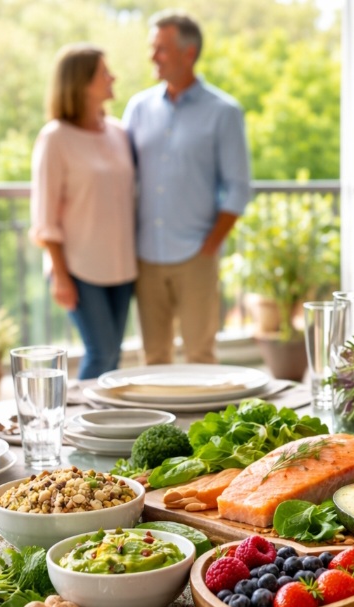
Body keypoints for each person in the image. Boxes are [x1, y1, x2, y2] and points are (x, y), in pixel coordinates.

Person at [122, 10, 252, 365]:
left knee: (200, 357)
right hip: (145, 257)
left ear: (188, 53)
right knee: (153, 359)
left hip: (196, 255)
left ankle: (197, 423)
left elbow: (238, 188)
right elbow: (121, 177)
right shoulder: (137, 108)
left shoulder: (224, 112)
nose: (153, 57)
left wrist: (209, 246)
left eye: (161, 49)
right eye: (152, 48)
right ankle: (159, 424)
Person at [30, 43, 137, 379]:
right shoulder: (56, 137)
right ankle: (74, 427)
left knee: (113, 358)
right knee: (100, 352)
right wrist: (60, 275)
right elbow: (45, 216)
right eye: (104, 72)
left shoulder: (118, 132)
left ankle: (104, 426)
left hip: (121, 267)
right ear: (81, 82)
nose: (112, 77)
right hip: (79, 267)